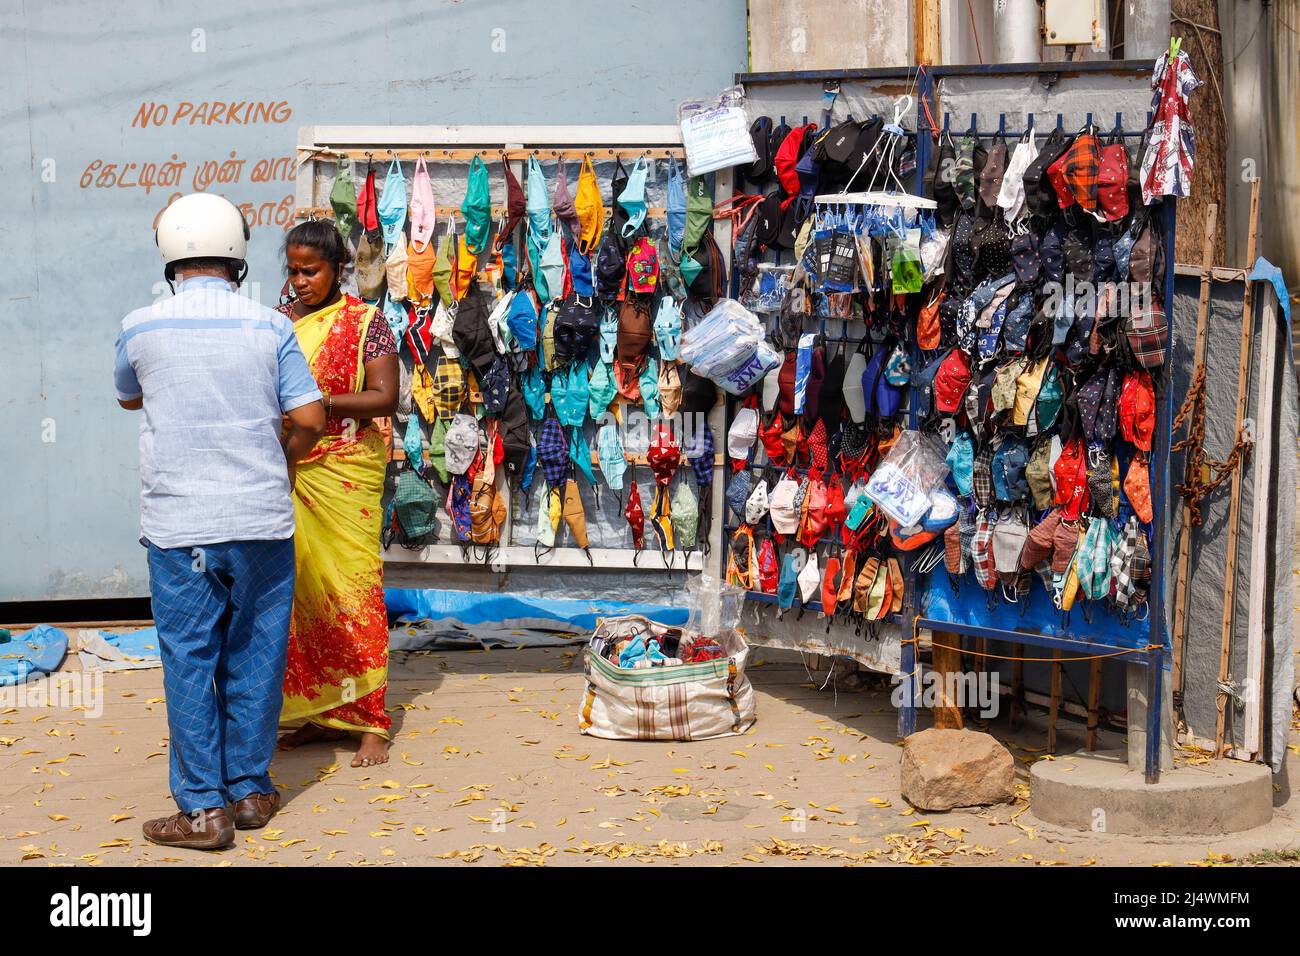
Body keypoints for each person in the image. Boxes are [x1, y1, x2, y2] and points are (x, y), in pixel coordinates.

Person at [116, 193, 326, 850]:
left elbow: (129, 394)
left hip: (181, 527)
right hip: (262, 520)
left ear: (169, 255)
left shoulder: (140, 327)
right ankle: (252, 792)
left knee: (189, 659)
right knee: (257, 655)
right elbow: (313, 418)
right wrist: (279, 464)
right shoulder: (271, 326)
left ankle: (202, 809)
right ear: (237, 253)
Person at [274, 220, 399, 768]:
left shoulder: (367, 323)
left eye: (312, 270)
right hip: (289, 469)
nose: (301, 281)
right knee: (300, 595)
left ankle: (370, 719)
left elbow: (384, 397)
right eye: (294, 270)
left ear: (338, 270)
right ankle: (318, 713)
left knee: (352, 589)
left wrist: (318, 401)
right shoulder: (276, 326)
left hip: (346, 474)